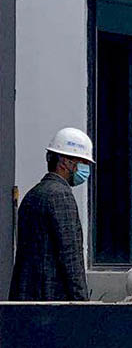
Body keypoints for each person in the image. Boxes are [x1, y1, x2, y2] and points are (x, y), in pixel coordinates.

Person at [8, 127, 95, 302]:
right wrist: (83, 304)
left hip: (24, 298)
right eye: (82, 163)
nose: (85, 169)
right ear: (65, 162)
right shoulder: (60, 195)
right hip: (52, 301)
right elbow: (71, 257)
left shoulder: (33, 194)